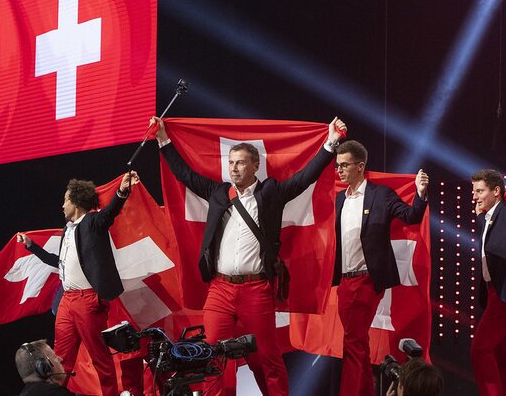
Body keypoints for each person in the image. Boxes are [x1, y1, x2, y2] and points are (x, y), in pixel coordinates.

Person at [150, 116, 346, 396]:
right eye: (231, 163)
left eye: (240, 162)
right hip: (219, 288)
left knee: (266, 358)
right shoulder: (219, 192)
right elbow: (185, 176)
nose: (234, 168)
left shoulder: (271, 193)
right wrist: (163, 139)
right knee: (210, 357)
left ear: (256, 166)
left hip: (256, 289)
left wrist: (330, 143)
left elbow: (305, 178)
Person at [17, 172, 138, 395]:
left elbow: (109, 214)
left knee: (99, 358)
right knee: (59, 360)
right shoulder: (67, 230)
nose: (62, 205)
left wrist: (122, 191)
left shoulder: (92, 221)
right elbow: (59, 262)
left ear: (76, 202)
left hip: (87, 300)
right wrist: (32, 246)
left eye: (65, 200)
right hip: (67, 301)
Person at [333, 140, 428, 396]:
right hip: (344, 282)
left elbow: (411, 217)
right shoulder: (339, 198)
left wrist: (420, 194)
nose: (338, 170)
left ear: (360, 166)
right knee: (355, 343)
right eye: (337, 165)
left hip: (366, 281)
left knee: (353, 342)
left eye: (344, 165)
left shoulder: (381, 195)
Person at [469, 169, 506, 396]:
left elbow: (498, 247)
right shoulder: (492, 216)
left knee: (480, 350)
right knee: (499, 353)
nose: (475, 196)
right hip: (495, 293)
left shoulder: (503, 214)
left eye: (480, 191)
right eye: (474, 191)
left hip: (501, 296)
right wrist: (482, 218)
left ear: (496, 191)